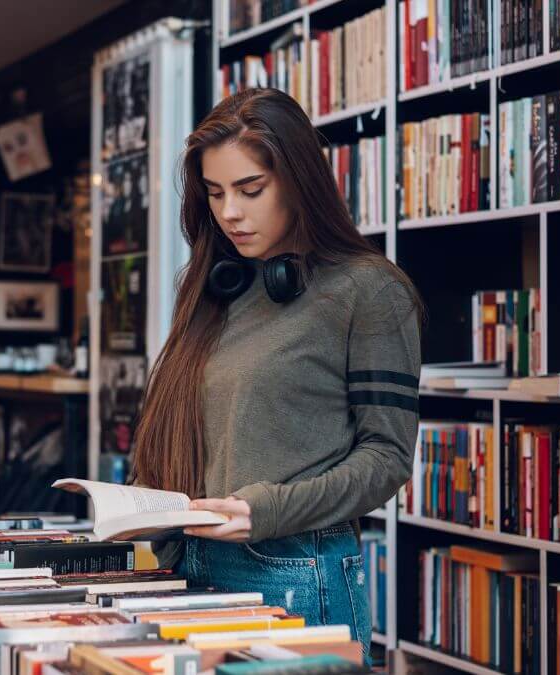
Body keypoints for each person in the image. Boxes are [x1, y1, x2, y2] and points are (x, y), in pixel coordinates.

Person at [130, 88, 423, 661]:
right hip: (187, 567)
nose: (230, 212)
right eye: (215, 193)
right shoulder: (215, 289)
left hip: (293, 571)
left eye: (250, 189)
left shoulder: (369, 291)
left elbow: (387, 458)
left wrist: (264, 509)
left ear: (298, 181)